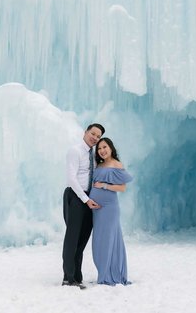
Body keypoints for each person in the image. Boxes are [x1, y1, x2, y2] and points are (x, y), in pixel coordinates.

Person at [62, 123, 105, 289]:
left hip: (89, 197)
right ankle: (68, 277)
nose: (94, 137)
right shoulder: (75, 151)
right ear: (85, 133)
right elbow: (71, 179)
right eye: (92, 133)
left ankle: (77, 276)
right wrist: (85, 199)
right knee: (72, 238)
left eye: (98, 136)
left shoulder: (93, 155)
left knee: (83, 238)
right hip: (75, 196)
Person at [89, 137, 133, 286]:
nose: (102, 151)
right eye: (99, 148)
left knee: (109, 240)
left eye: (104, 147)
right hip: (96, 210)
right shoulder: (99, 165)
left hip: (109, 208)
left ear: (111, 148)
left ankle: (110, 274)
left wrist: (104, 186)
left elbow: (122, 187)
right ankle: (103, 271)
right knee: (99, 241)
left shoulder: (116, 165)